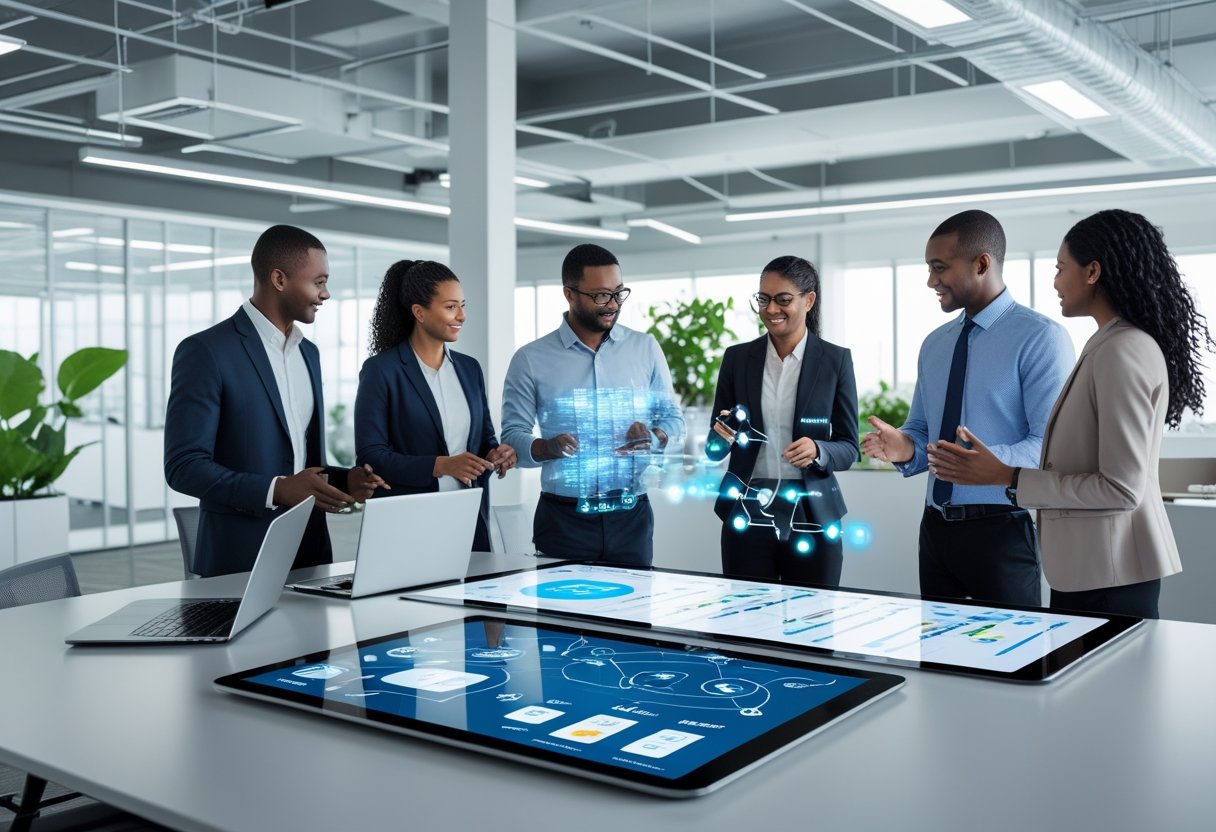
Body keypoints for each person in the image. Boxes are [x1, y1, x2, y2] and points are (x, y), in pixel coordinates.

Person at [928, 210, 1212, 618]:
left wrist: (1006, 476)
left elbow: (1121, 489)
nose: (1055, 281)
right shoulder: (1108, 343)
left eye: (1061, 268)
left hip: (1110, 575)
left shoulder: (1122, 350)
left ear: (1093, 271)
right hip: (1094, 570)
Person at [861, 210, 1074, 606]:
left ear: (981, 264)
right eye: (928, 268)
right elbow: (923, 430)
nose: (930, 281)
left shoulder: (1041, 338)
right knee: (939, 659)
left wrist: (979, 462)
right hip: (935, 529)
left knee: (1011, 663)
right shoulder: (935, 344)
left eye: (940, 267)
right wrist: (904, 446)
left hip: (999, 532)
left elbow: (1049, 445)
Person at [164, 224, 385, 577]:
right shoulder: (207, 351)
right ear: (279, 280)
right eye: (319, 281)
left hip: (310, 554)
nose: (325, 294)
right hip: (239, 558)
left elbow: (302, 461)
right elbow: (184, 466)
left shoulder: (308, 354)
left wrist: (346, 482)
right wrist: (277, 489)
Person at [500, 243, 683, 566]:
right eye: (600, 295)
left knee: (633, 616)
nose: (612, 304)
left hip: (631, 517)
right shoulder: (530, 359)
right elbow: (512, 436)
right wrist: (548, 447)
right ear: (570, 294)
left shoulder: (645, 348)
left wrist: (653, 439)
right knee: (561, 618)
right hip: (563, 520)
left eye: (618, 293)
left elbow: (674, 421)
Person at [707, 255, 859, 586]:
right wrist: (722, 435)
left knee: (813, 626)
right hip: (747, 509)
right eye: (763, 299)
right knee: (746, 622)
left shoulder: (835, 361)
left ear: (809, 300)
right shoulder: (736, 359)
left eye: (783, 300)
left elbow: (850, 447)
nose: (771, 309)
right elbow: (714, 447)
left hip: (813, 513)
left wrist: (819, 450)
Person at [354, 260, 515, 552]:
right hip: (409, 524)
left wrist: (496, 454)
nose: (462, 316)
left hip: (468, 521)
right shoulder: (382, 370)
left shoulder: (469, 369)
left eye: (462, 306)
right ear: (419, 312)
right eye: (451, 306)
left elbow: (483, 440)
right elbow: (372, 455)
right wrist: (441, 465)